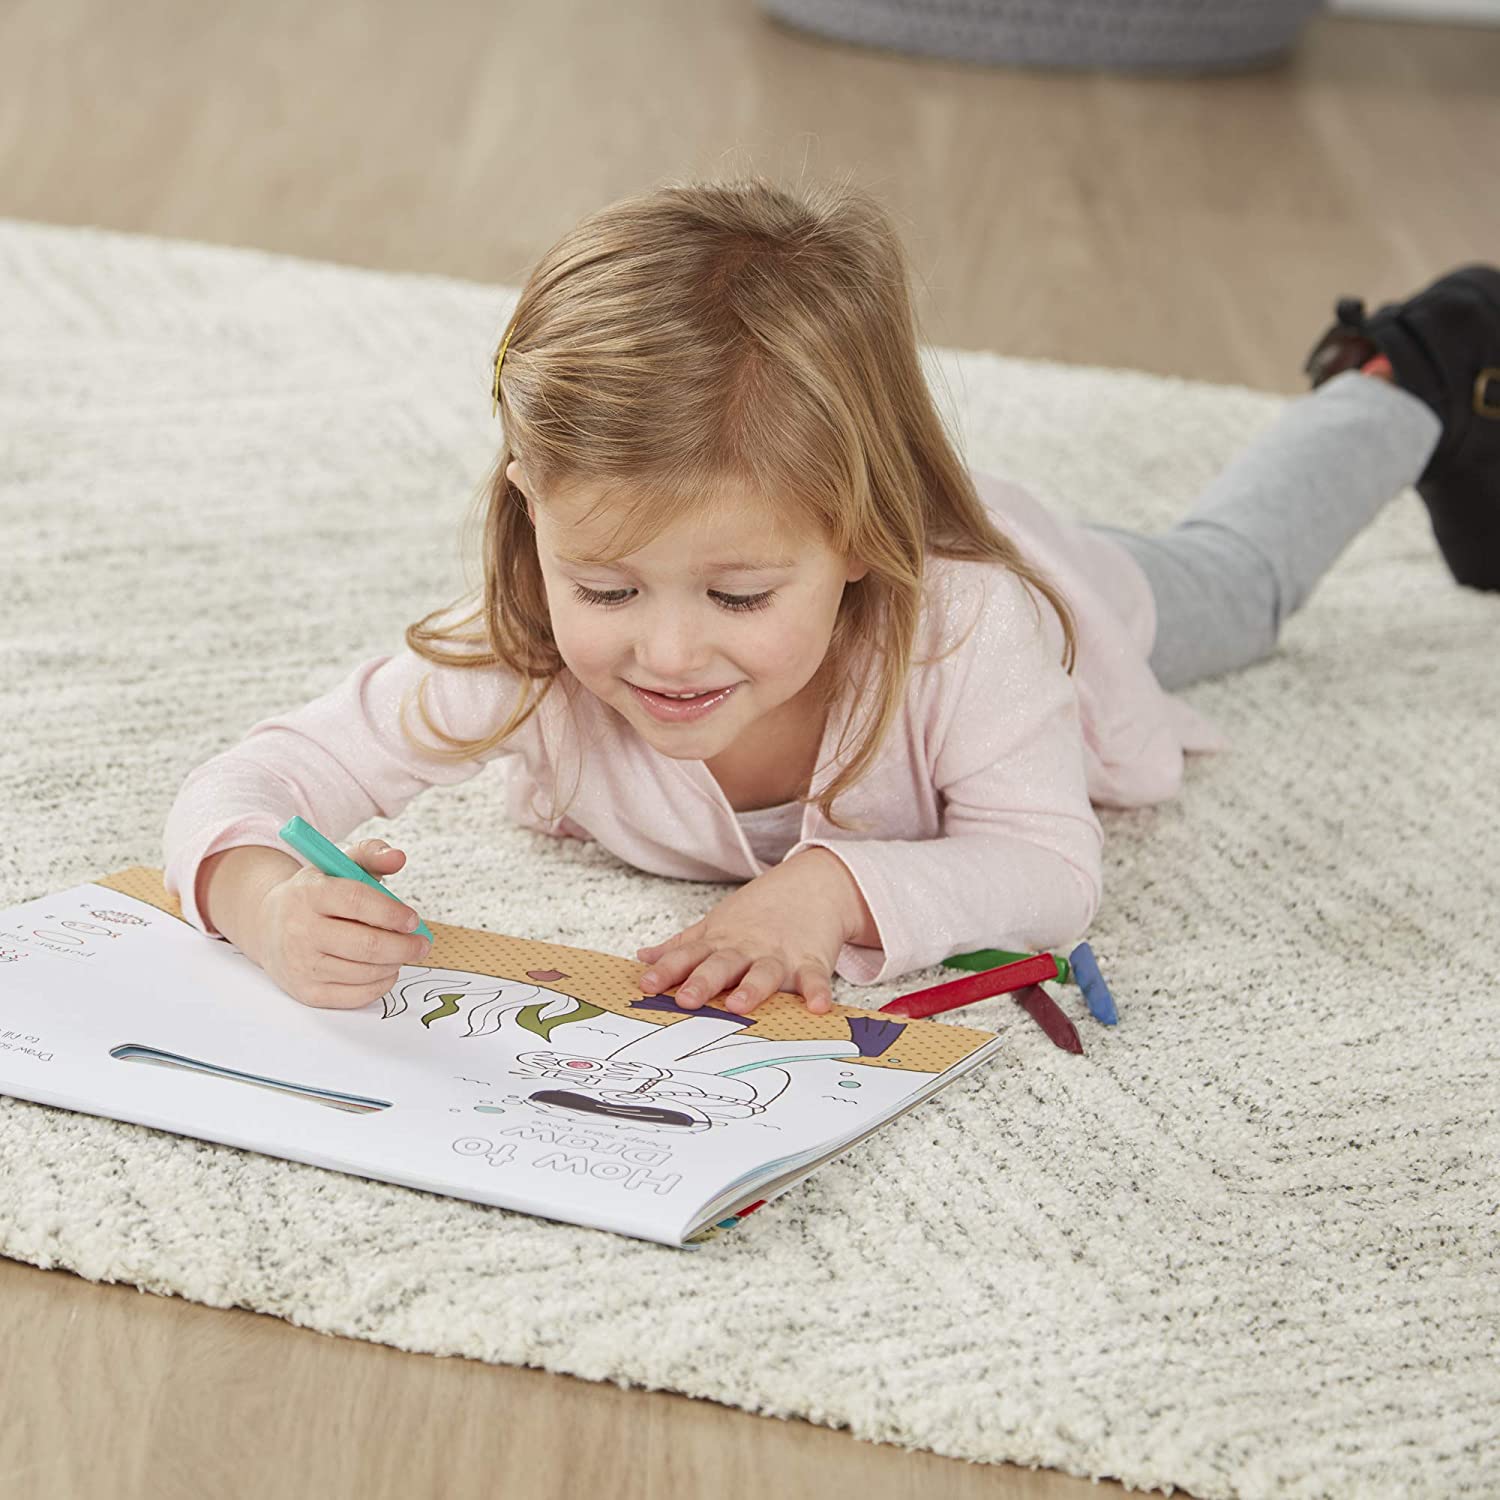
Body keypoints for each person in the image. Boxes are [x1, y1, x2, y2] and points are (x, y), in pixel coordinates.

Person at [161, 176, 1500, 1021]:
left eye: (740, 594)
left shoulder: (975, 628)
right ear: (531, 507)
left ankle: (1418, 367)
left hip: (1062, 596)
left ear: (860, 532)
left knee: (1240, 581)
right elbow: (253, 777)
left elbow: (1050, 870)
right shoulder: (523, 646)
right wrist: (266, 902)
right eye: (607, 584)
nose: (665, 649)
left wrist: (828, 893)